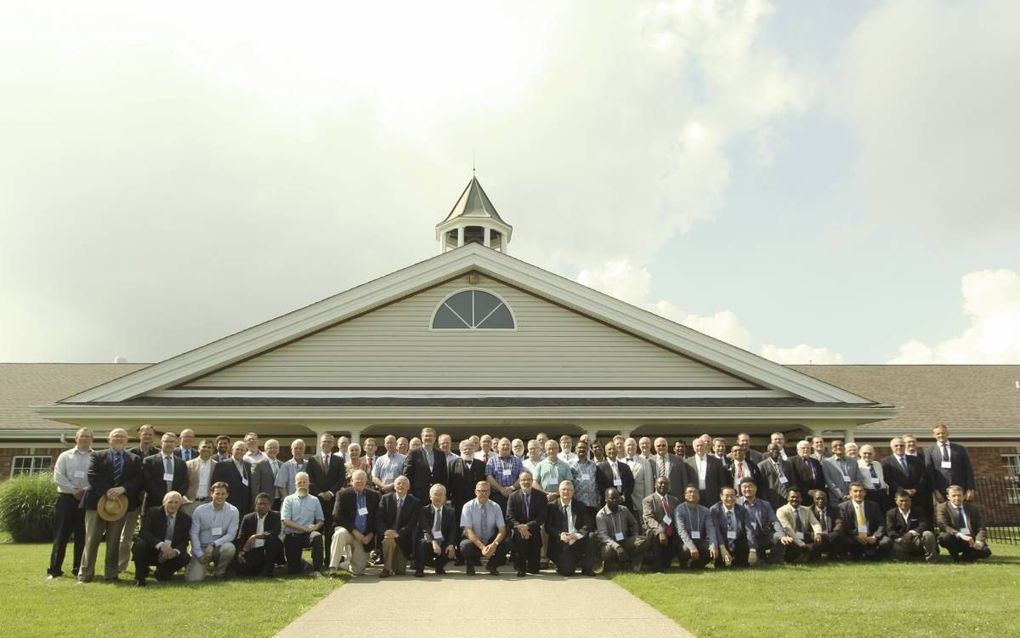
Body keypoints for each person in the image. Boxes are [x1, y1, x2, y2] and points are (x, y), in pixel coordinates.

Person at [79, 428, 143, 583]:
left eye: (122, 436)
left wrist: (123, 489)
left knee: (114, 541)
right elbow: (93, 475)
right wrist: (107, 490)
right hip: (96, 503)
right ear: (109, 439)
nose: (119, 439)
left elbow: (138, 479)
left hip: (120, 505)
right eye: (116, 436)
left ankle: (111, 574)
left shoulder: (134, 459)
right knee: (91, 540)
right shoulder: (97, 455)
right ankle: (85, 574)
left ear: (127, 440)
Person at [47, 427, 93, 580]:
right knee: (61, 535)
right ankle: (54, 570)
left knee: (82, 536)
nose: (85, 439)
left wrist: (85, 490)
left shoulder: (95, 457)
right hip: (66, 499)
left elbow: (96, 477)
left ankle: (77, 569)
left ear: (91, 439)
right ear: (76, 438)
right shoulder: (65, 456)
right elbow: (58, 476)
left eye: (88, 436)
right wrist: (74, 491)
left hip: (86, 499)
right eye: (82, 436)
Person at [132, 491, 191, 586]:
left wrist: (175, 551)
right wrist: (160, 545)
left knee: (185, 558)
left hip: (171, 553)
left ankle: (162, 573)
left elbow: (184, 540)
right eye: (170, 502)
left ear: (180, 504)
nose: (173, 505)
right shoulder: (153, 512)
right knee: (140, 545)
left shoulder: (186, 519)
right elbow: (144, 532)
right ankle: (140, 577)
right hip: (153, 550)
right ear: (164, 502)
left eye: (176, 502)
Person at [329, 469, 379, 577]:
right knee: (339, 534)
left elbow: (378, 518)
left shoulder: (375, 495)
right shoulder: (342, 494)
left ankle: (346, 564)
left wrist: (370, 535)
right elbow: (337, 515)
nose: (360, 481)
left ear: (367, 481)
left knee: (358, 570)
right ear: (351, 481)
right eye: (357, 479)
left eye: (362, 479)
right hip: (348, 531)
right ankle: (333, 568)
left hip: (363, 537)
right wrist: (353, 531)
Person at [186, 481, 239, 581]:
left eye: (223, 494)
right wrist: (199, 553)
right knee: (193, 580)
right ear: (211, 494)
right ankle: (198, 565)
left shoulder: (233, 511)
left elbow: (231, 535)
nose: (220, 496)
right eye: (217, 493)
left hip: (218, 547)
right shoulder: (200, 510)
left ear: (227, 495)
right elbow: (194, 533)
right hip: (201, 548)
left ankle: (219, 573)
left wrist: (213, 544)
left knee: (229, 548)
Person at [546, 480, 595, 576]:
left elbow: (588, 523)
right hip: (561, 542)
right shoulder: (551, 506)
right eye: (563, 489)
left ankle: (587, 568)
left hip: (576, 539)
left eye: (569, 490)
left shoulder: (580, 505)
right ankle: (564, 563)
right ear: (559, 491)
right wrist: (560, 535)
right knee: (567, 572)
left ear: (573, 492)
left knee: (592, 536)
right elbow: (548, 526)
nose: (566, 492)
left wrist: (576, 535)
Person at [459, 481, 508, 576]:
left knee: (508, 542)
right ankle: (470, 566)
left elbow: (502, 530)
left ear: (490, 492)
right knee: (465, 545)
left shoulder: (496, 506)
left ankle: (492, 565)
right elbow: (468, 530)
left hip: (491, 540)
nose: (483, 493)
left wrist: (494, 544)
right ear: (475, 492)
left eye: (486, 491)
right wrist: (482, 547)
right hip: (475, 541)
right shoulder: (467, 506)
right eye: (480, 491)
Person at [308, 433, 343, 564]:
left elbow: (341, 480)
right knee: (316, 531)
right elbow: (310, 479)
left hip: (333, 502)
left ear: (333, 444)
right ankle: (316, 561)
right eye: (324, 442)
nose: (326, 444)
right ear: (320, 443)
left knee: (330, 531)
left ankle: (329, 560)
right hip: (317, 501)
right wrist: (320, 493)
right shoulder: (312, 460)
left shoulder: (339, 460)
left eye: (329, 442)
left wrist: (330, 492)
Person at [281, 471, 325, 576]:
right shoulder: (288, 500)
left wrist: (315, 527)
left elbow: (321, 520)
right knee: (293, 571)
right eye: (299, 482)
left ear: (309, 483)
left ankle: (316, 570)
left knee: (317, 537)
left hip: (308, 534)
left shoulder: (315, 500)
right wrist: (303, 528)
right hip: (293, 535)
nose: (302, 484)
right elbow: (286, 521)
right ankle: (303, 564)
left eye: (304, 482)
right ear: (295, 484)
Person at [376, 475, 420, 577]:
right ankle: (386, 569)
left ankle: (393, 565)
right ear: (394, 486)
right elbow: (379, 518)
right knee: (388, 539)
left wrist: (398, 533)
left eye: (404, 483)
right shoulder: (385, 499)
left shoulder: (415, 502)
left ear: (408, 487)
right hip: (388, 535)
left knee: (400, 571)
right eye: (398, 483)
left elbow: (412, 523)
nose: (401, 485)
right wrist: (385, 531)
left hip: (403, 539)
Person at [506, 471, 548, 576]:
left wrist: (527, 526)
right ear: (519, 482)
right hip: (518, 531)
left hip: (533, 530)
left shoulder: (541, 496)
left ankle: (531, 563)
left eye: (529, 479)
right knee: (520, 539)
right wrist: (520, 527)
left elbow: (542, 517)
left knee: (534, 570)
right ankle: (521, 566)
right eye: (523, 480)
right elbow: (509, 517)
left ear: (532, 481)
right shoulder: (513, 496)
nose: (526, 482)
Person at [936, 485, 991, 562]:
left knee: (986, 552)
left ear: (964, 496)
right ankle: (955, 557)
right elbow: (943, 525)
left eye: (959, 495)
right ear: (948, 497)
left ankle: (966, 556)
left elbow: (981, 527)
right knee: (945, 537)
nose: (957, 498)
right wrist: (960, 535)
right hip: (954, 537)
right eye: (954, 496)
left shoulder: (973, 508)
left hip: (970, 539)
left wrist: (979, 541)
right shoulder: (942, 507)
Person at [595, 487, 645, 573]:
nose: (615, 500)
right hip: (611, 544)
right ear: (606, 499)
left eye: (617, 498)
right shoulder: (600, 515)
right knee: (607, 550)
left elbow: (634, 523)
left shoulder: (624, 510)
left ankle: (634, 564)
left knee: (642, 540)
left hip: (625, 541)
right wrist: (617, 546)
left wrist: (635, 534)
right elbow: (603, 536)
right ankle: (608, 566)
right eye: (612, 498)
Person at [837, 482, 890, 561]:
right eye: (855, 491)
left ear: (865, 493)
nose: (858, 494)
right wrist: (856, 536)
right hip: (854, 537)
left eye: (861, 491)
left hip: (871, 536)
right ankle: (859, 554)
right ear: (850, 493)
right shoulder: (843, 507)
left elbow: (881, 524)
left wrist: (875, 537)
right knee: (844, 540)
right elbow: (844, 526)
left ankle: (874, 555)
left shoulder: (874, 506)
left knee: (886, 541)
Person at [882, 437, 929, 523]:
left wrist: (915, 489)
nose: (899, 447)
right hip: (898, 496)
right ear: (892, 448)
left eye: (901, 445)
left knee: (918, 520)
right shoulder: (886, 461)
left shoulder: (916, 460)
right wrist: (903, 490)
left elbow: (922, 476)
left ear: (905, 447)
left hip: (916, 496)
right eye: (896, 446)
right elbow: (888, 478)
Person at [737, 478, 783, 565]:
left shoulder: (765, 504)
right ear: (740, 489)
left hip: (762, 536)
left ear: (756, 488)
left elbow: (774, 521)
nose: (747, 489)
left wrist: (781, 534)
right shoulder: (736, 503)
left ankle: (773, 562)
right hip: (745, 539)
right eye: (744, 487)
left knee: (780, 537)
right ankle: (758, 558)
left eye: (750, 486)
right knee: (752, 562)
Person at [235, 492, 283, 577]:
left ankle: (268, 569)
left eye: (265, 504)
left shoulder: (276, 516)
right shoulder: (247, 518)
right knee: (243, 569)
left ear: (270, 505)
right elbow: (241, 536)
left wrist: (255, 536)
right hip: (253, 550)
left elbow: (275, 531)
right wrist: (240, 552)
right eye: (260, 504)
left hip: (269, 549)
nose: (263, 506)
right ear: (255, 505)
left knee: (272, 538)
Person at [414, 484, 457, 577]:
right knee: (422, 543)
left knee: (450, 548)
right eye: (436, 494)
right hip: (429, 540)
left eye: (441, 494)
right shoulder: (424, 510)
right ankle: (419, 569)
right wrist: (433, 542)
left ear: (445, 497)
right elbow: (425, 529)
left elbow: (453, 530)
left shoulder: (450, 512)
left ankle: (439, 567)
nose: (438, 497)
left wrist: (451, 544)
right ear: (430, 497)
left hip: (442, 540)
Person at [927, 425, 976, 504]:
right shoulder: (930, 451)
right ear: (934, 435)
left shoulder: (960, 449)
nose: (941, 435)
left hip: (961, 490)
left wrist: (970, 488)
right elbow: (930, 473)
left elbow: (968, 469)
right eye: (938, 433)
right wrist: (935, 490)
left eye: (943, 433)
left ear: (947, 433)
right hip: (942, 491)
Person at [141, 432, 189, 512]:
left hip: (175, 504)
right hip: (154, 503)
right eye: (166, 441)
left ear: (176, 444)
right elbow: (147, 482)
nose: (169, 444)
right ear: (161, 443)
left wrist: (174, 498)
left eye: (172, 442)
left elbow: (185, 482)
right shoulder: (149, 461)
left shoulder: (181, 463)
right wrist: (164, 499)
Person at [709, 486, 755, 568]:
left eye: (732, 495)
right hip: (722, 542)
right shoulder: (714, 510)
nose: (729, 498)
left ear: (736, 497)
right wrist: (722, 549)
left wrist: (752, 550)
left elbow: (749, 530)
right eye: (726, 496)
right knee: (721, 566)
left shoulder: (742, 510)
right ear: (721, 496)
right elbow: (716, 531)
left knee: (743, 565)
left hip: (738, 541)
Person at [641, 477, 680, 571]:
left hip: (671, 531)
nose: (663, 485)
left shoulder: (674, 500)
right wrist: (660, 531)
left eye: (666, 483)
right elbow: (648, 518)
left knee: (667, 563)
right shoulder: (648, 500)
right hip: (656, 531)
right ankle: (657, 567)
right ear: (655, 485)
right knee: (655, 535)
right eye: (660, 483)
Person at [674, 486, 718, 569]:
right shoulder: (679, 510)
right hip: (684, 542)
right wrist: (692, 547)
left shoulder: (705, 510)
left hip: (700, 540)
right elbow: (681, 530)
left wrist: (713, 545)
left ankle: (696, 565)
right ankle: (684, 564)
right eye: (690, 492)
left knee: (712, 549)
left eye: (695, 492)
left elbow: (711, 529)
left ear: (699, 495)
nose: (692, 494)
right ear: (685, 495)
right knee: (686, 549)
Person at [886, 490, 938, 562]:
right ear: (896, 501)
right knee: (891, 544)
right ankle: (908, 558)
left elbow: (923, 525)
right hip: (900, 542)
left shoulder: (918, 511)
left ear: (910, 500)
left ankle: (931, 559)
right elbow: (890, 530)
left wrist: (911, 533)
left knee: (928, 534)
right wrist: (901, 539)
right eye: (901, 501)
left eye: (906, 500)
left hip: (915, 540)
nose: (904, 503)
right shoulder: (891, 513)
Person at [775, 489, 823, 563]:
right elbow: (788, 530)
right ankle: (801, 555)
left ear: (801, 499)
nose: (795, 499)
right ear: (788, 498)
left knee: (822, 538)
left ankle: (808, 555)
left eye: (797, 497)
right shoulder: (781, 511)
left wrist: (818, 534)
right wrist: (803, 545)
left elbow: (815, 523)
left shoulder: (806, 510)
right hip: (791, 537)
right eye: (792, 497)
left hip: (803, 535)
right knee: (789, 542)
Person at [447, 439, 487, 527]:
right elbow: (448, 482)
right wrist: (448, 499)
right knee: (459, 524)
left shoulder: (481, 465)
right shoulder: (452, 464)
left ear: (474, 450)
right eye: (465, 449)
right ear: (460, 450)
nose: (467, 451)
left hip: (477, 501)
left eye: (470, 448)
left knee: (476, 523)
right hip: (458, 501)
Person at [403, 427, 449, 502]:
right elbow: (407, 474)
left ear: (434, 438)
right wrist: (409, 493)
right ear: (421, 437)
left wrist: (444, 493)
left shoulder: (440, 454)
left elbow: (444, 476)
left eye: (430, 436)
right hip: (417, 495)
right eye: (426, 436)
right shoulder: (413, 453)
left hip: (436, 496)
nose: (428, 438)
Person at [211, 441, 252, 517]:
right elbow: (216, 484)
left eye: (242, 450)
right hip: (229, 502)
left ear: (246, 452)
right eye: (237, 449)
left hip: (245, 503)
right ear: (232, 450)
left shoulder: (248, 466)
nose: (239, 451)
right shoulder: (222, 465)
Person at [686, 436, 727, 507]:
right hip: (694, 495)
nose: (699, 448)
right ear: (693, 448)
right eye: (697, 446)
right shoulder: (687, 462)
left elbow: (721, 480)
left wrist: (722, 494)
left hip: (712, 496)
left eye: (701, 445)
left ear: (705, 446)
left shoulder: (716, 461)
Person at [486, 436, 523, 514]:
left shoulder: (517, 461)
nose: (505, 446)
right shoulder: (492, 460)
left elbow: (522, 477)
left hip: (514, 495)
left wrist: (511, 488)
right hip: (497, 496)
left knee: (513, 518)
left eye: (508, 445)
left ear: (510, 447)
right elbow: (489, 476)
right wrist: (501, 489)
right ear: (498, 447)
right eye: (503, 445)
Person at [649, 437, 693, 501]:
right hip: (657, 497)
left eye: (663, 445)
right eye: (659, 446)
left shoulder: (678, 459)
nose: (661, 447)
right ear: (655, 447)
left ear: (667, 446)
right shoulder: (650, 461)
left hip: (675, 496)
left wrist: (686, 495)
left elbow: (684, 479)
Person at [808, 489, 845, 560]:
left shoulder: (835, 509)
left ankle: (833, 556)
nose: (820, 501)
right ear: (813, 499)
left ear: (827, 499)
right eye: (818, 499)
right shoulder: (809, 510)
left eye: (823, 498)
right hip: (815, 537)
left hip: (830, 536)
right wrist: (816, 535)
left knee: (839, 535)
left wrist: (831, 535)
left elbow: (839, 523)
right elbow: (807, 527)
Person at [596, 442, 636, 510]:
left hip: (624, 501)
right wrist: (611, 498)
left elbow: (631, 483)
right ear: (605, 452)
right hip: (609, 503)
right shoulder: (600, 468)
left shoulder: (625, 467)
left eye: (614, 449)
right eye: (609, 449)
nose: (612, 451)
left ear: (617, 451)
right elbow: (600, 485)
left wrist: (624, 496)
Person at [823, 439, 861, 506]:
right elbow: (829, 482)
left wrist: (852, 494)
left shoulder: (853, 462)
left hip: (853, 498)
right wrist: (841, 495)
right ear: (832, 449)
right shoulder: (827, 463)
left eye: (840, 445)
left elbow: (858, 479)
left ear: (844, 448)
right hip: (835, 499)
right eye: (835, 446)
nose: (838, 447)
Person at [758, 443, 795, 509]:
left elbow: (792, 480)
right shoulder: (762, 465)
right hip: (772, 498)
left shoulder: (787, 464)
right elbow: (762, 486)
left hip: (787, 498)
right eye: (772, 450)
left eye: (776, 449)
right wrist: (766, 501)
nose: (775, 451)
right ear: (768, 452)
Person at [570, 441, 601, 517]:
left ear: (587, 450)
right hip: (577, 502)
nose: (582, 449)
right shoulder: (570, 465)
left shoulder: (593, 465)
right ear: (575, 450)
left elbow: (597, 483)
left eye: (584, 448)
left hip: (592, 502)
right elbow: (569, 482)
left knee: (592, 526)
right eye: (580, 447)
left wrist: (598, 500)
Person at [622, 438, 654, 512]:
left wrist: (648, 503)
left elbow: (648, 484)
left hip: (639, 501)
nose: (631, 447)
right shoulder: (620, 462)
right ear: (625, 447)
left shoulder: (644, 462)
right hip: (625, 502)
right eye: (628, 445)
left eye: (633, 445)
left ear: (636, 447)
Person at [251, 438, 282, 510]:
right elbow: (255, 487)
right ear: (265, 450)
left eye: (275, 448)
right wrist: (256, 503)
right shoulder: (258, 465)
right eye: (270, 448)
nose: (273, 450)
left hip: (280, 500)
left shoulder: (282, 465)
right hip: (265, 502)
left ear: (278, 450)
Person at [858, 445, 890, 512]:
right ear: (860, 453)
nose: (867, 455)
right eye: (865, 453)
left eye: (870, 453)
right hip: (869, 494)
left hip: (882, 493)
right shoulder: (857, 465)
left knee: (884, 515)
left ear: (874, 454)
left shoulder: (877, 464)